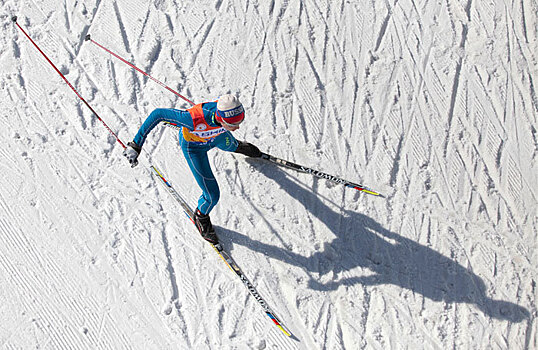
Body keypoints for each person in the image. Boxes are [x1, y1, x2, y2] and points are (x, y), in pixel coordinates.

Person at [123, 94, 262, 244]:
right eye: (233, 124)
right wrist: (136, 144)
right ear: (220, 118)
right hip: (194, 148)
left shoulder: (226, 112)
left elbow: (229, 123)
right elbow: (158, 114)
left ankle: (237, 146)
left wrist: (229, 128)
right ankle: (201, 216)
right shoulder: (193, 118)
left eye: (240, 121)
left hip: (217, 137)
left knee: (232, 144)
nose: (238, 127)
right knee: (212, 195)